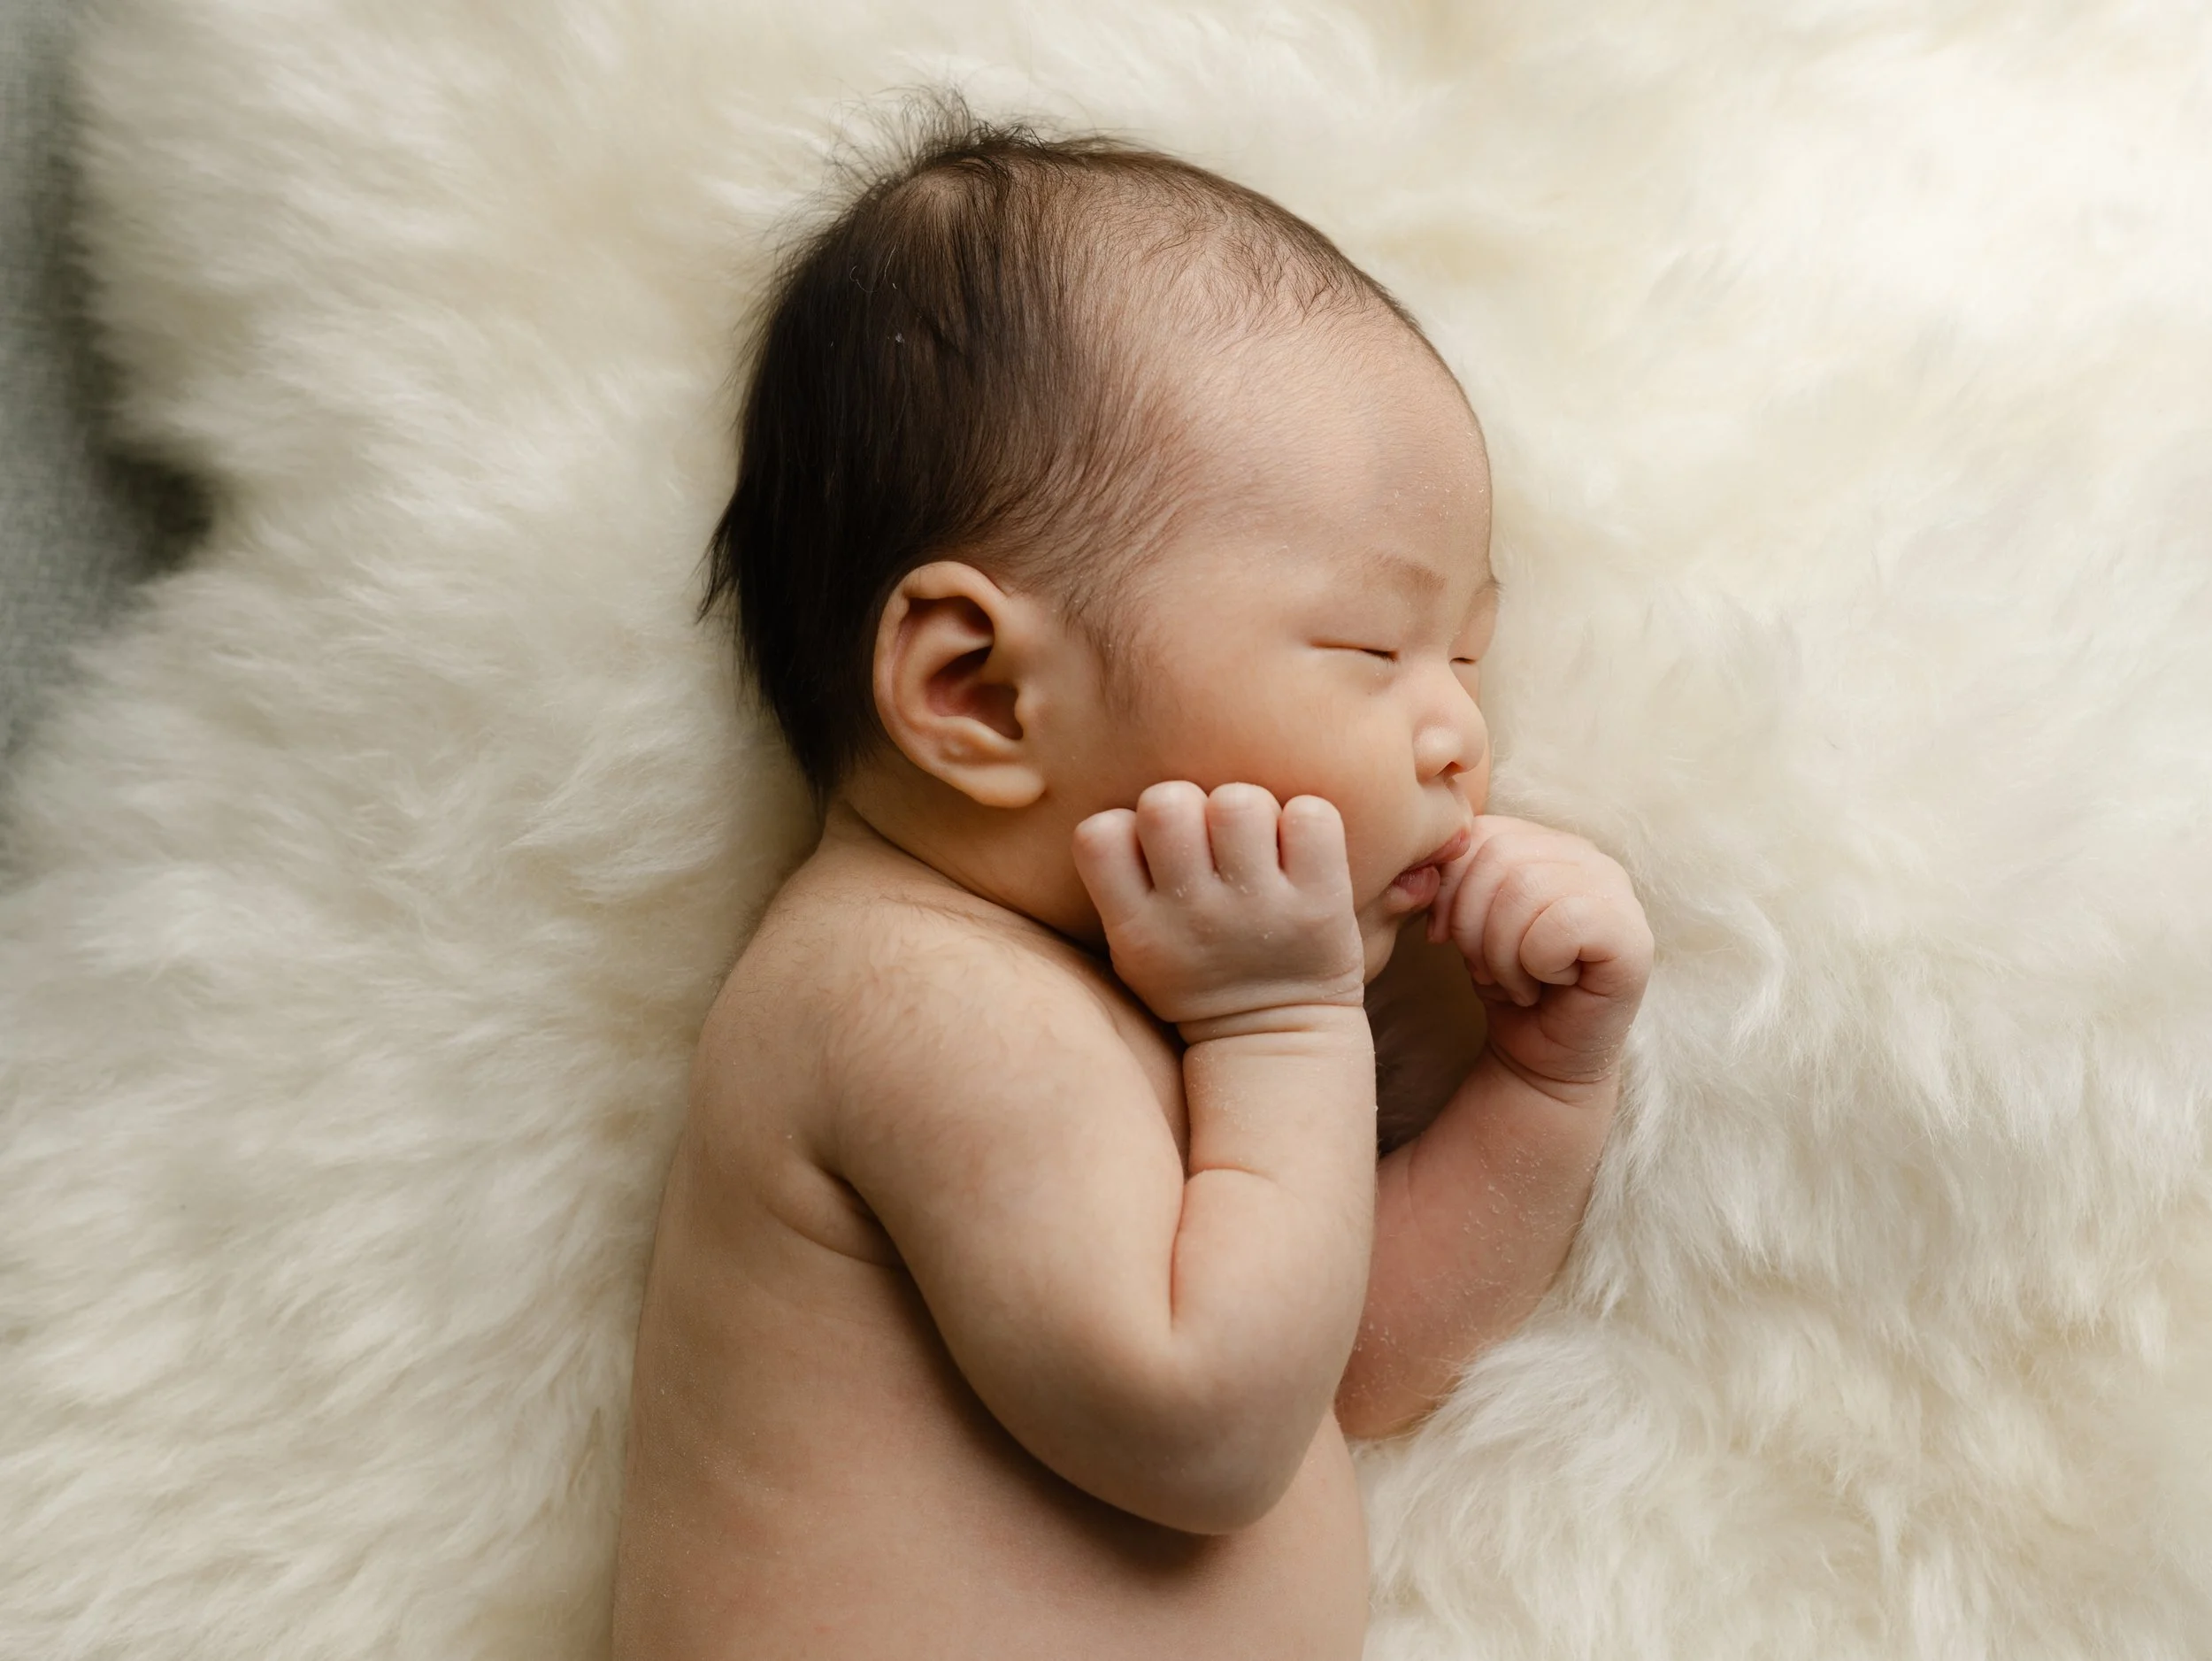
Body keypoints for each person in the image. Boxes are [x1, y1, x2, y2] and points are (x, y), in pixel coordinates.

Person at [611, 110, 1655, 1658]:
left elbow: (1333, 1369)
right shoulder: (905, 995)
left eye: (1469, 658)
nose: (1459, 734)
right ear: (978, 693)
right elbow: (1207, 1428)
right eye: (1373, 649)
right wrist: (1286, 1028)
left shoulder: (1120, 1020)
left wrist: (1540, 1091)